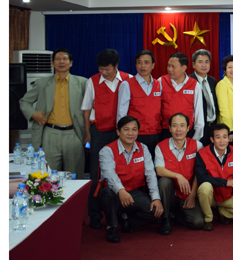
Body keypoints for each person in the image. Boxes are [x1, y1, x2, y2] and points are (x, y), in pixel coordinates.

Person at [82, 49, 132, 229]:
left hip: (122, 133)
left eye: (107, 69)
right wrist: (88, 134)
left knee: (123, 173)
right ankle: (94, 214)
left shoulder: (128, 79)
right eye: (101, 69)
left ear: (116, 66)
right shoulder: (92, 82)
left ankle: (122, 213)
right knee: (97, 174)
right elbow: (86, 110)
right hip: (99, 133)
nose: (103, 73)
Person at [19, 47, 86, 177]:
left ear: (71, 63)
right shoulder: (42, 83)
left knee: (75, 175)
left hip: (74, 134)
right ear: (52, 63)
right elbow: (24, 102)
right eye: (58, 59)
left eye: (65, 59)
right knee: (46, 175)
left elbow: (92, 107)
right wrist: (33, 114)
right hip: (49, 134)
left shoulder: (83, 83)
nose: (61, 62)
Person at [97, 116, 163, 243]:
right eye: (126, 129)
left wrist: (156, 198)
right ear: (118, 132)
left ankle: (127, 219)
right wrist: (121, 191)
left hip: (135, 193)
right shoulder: (107, 150)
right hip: (114, 193)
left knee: (155, 211)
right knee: (107, 194)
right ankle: (112, 227)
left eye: (134, 129)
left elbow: (150, 174)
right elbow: (109, 174)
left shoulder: (143, 148)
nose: (130, 133)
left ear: (138, 132)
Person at [155, 113, 205, 234]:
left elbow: (200, 173)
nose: (178, 130)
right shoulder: (160, 146)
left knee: (198, 222)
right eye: (175, 126)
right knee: (164, 181)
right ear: (170, 128)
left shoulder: (197, 145)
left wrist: (192, 195)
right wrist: (178, 176)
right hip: (170, 193)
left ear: (188, 128)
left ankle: (176, 215)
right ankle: (166, 218)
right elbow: (159, 170)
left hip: (188, 193)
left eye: (182, 126)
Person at [195, 123, 233, 231]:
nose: (222, 141)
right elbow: (201, 178)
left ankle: (221, 211)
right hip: (210, 195)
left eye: (225, 137)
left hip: (227, 195)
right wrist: (225, 182)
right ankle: (208, 219)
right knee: (204, 187)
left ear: (229, 139)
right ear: (212, 139)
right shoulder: (202, 153)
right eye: (218, 137)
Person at [117, 50, 162, 157]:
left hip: (156, 133)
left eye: (146, 62)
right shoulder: (127, 84)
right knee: (137, 166)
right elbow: (121, 113)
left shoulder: (159, 84)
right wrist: (122, 134)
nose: (143, 66)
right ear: (136, 64)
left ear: (153, 65)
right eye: (139, 62)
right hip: (136, 134)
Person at [158, 53, 204, 141]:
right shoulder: (161, 81)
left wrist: (195, 138)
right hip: (166, 132)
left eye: (173, 67)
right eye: (168, 66)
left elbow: (199, 114)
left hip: (187, 132)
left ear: (183, 68)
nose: (169, 69)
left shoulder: (194, 85)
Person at [189, 49, 218, 147]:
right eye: (200, 62)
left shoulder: (212, 81)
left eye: (207, 62)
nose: (204, 65)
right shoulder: (189, 82)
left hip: (213, 127)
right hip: (197, 128)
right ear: (193, 64)